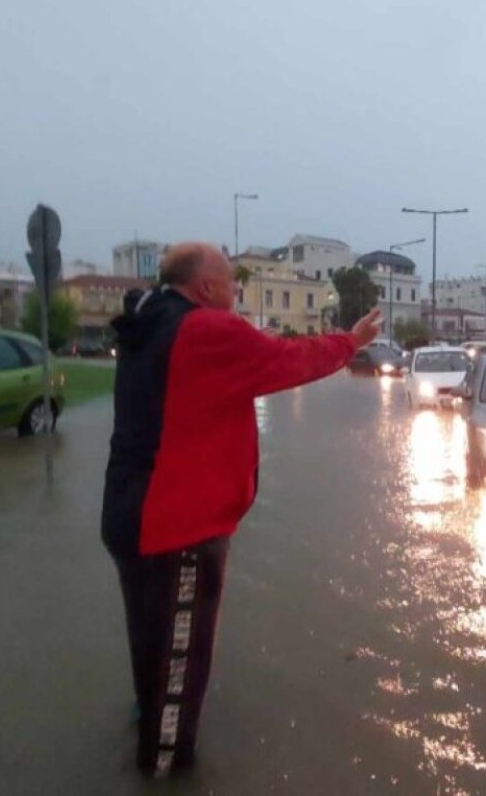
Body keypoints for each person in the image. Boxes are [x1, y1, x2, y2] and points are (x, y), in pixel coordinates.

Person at [101, 242, 382, 778]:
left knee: (152, 647)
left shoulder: (148, 321)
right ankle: (165, 770)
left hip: (130, 518)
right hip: (177, 529)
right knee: (181, 669)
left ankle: (149, 723)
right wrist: (353, 341)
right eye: (230, 282)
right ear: (205, 287)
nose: (235, 291)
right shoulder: (207, 331)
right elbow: (286, 361)